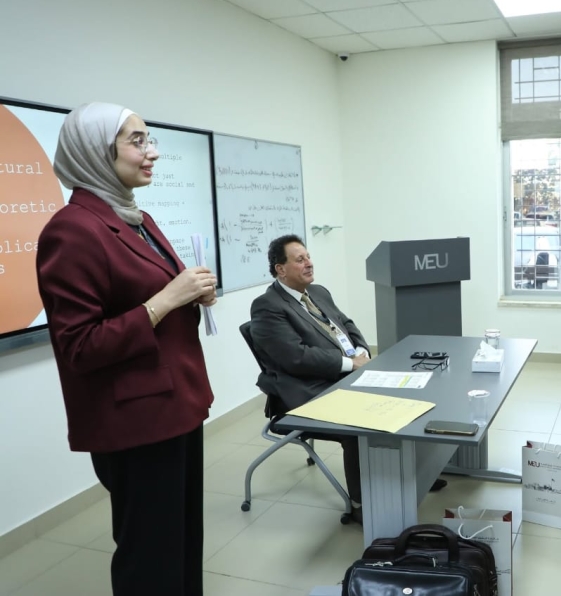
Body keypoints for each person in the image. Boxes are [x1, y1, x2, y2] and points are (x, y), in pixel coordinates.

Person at [36, 103, 218, 596]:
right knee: (150, 560)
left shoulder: (138, 217)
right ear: (97, 151)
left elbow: (155, 296)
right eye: (137, 141)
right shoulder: (71, 229)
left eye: (149, 139)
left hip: (177, 405)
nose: (151, 152)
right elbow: (79, 345)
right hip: (137, 421)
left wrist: (191, 295)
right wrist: (165, 300)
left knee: (182, 542)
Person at [249, 234, 371, 521]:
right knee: (361, 426)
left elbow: (346, 324)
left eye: (308, 257)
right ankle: (361, 504)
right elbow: (296, 357)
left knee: (400, 402)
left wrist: (362, 351)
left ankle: (404, 476)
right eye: (300, 259)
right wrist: (350, 364)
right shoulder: (268, 306)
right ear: (280, 269)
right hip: (305, 391)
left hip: (340, 376)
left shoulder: (318, 292)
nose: (309, 263)